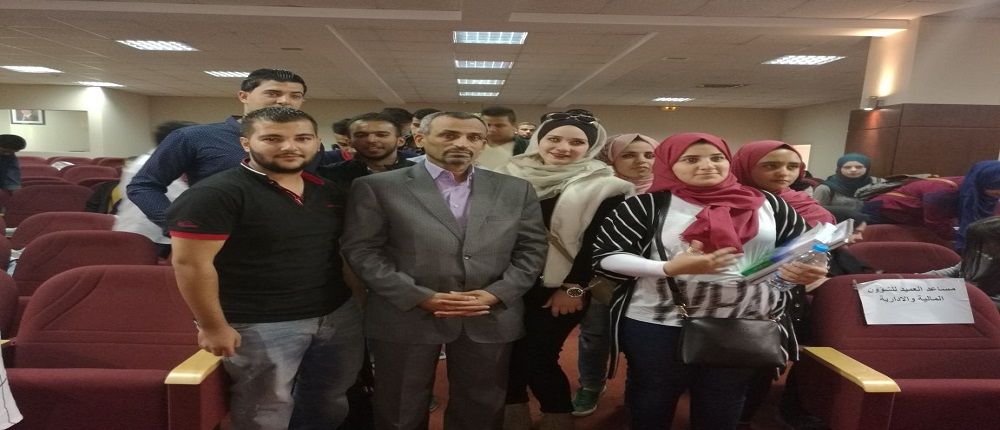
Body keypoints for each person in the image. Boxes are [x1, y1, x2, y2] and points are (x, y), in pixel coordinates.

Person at [591, 133, 826, 430]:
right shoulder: (647, 205)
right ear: (668, 164)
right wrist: (667, 267)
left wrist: (812, 267)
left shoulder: (769, 204)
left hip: (746, 319)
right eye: (691, 159)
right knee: (654, 394)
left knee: (724, 396)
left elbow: (806, 248)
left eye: (717, 158)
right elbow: (607, 256)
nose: (707, 166)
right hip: (661, 320)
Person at [340, 111, 547, 430]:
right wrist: (417, 296)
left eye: (473, 137)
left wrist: (497, 294)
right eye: (450, 135)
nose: (463, 143)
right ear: (420, 139)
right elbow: (362, 250)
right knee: (399, 404)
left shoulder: (515, 189)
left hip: (487, 312)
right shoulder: (377, 187)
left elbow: (532, 249)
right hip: (405, 310)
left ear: (483, 144)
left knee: (481, 404)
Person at [166, 107, 363, 429]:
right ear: (246, 143)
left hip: (336, 315)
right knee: (266, 407)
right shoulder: (216, 193)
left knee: (329, 397)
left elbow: (339, 253)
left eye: (302, 138)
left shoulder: (327, 190)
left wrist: (357, 305)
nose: (289, 146)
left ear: (317, 143)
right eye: (273, 138)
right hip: (260, 322)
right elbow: (190, 264)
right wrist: (212, 326)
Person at [497, 112, 635, 430]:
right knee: (508, 354)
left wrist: (573, 288)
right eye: (555, 139)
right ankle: (513, 416)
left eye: (577, 142)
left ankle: (557, 416)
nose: (564, 147)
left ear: (591, 147)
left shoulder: (608, 187)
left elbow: (597, 245)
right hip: (509, 283)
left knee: (538, 357)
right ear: (539, 140)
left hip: (560, 288)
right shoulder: (507, 176)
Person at [128, 68, 307, 230]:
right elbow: (144, 185)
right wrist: (179, 225)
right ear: (243, 96)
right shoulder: (194, 137)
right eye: (273, 93)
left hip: (294, 239)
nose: (284, 101)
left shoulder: (307, 144)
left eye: (295, 96)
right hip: (221, 241)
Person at [571, 132, 660, 417]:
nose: (641, 161)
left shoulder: (670, 192)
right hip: (604, 277)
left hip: (655, 280)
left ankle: (637, 390)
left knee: (643, 339)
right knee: (595, 335)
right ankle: (591, 385)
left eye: (649, 155)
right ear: (611, 159)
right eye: (628, 155)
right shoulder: (599, 192)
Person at [113, 121, 196, 256]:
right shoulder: (156, 165)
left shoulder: (149, 161)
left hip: (146, 232)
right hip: (148, 235)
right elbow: (184, 203)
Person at [732, 140, 836, 227]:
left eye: (793, 167)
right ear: (744, 167)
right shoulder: (728, 200)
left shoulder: (801, 202)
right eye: (770, 166)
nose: (784, 173)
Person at [318, 112, 415, 192]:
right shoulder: (328, 175)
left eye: (381, 135)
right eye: (361, 135)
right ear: (350, 142)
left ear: (400, 141)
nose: (371, 140)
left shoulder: (419, 173)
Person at [926, 216, 1000, 310]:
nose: (977, 246)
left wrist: (958, 297)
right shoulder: (982, 254)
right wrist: (919, 278)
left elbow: (995, 304)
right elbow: (957, 270)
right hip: (963, 301)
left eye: (984, 242)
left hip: (982, 310)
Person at [860, 175, 962, 242]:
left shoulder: (962, 184)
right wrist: (962, 237)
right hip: (884, 210)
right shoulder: (941, 191)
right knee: (865, 243)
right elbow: (935, 223)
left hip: (904, 215)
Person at [812, 153, 880, 211]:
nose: (853, 170)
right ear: (839, 169)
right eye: (847, 167)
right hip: (836, 222)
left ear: (867, 168)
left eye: (859, 167)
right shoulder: (826, 188)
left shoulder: (878, 185)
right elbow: (816, 212)